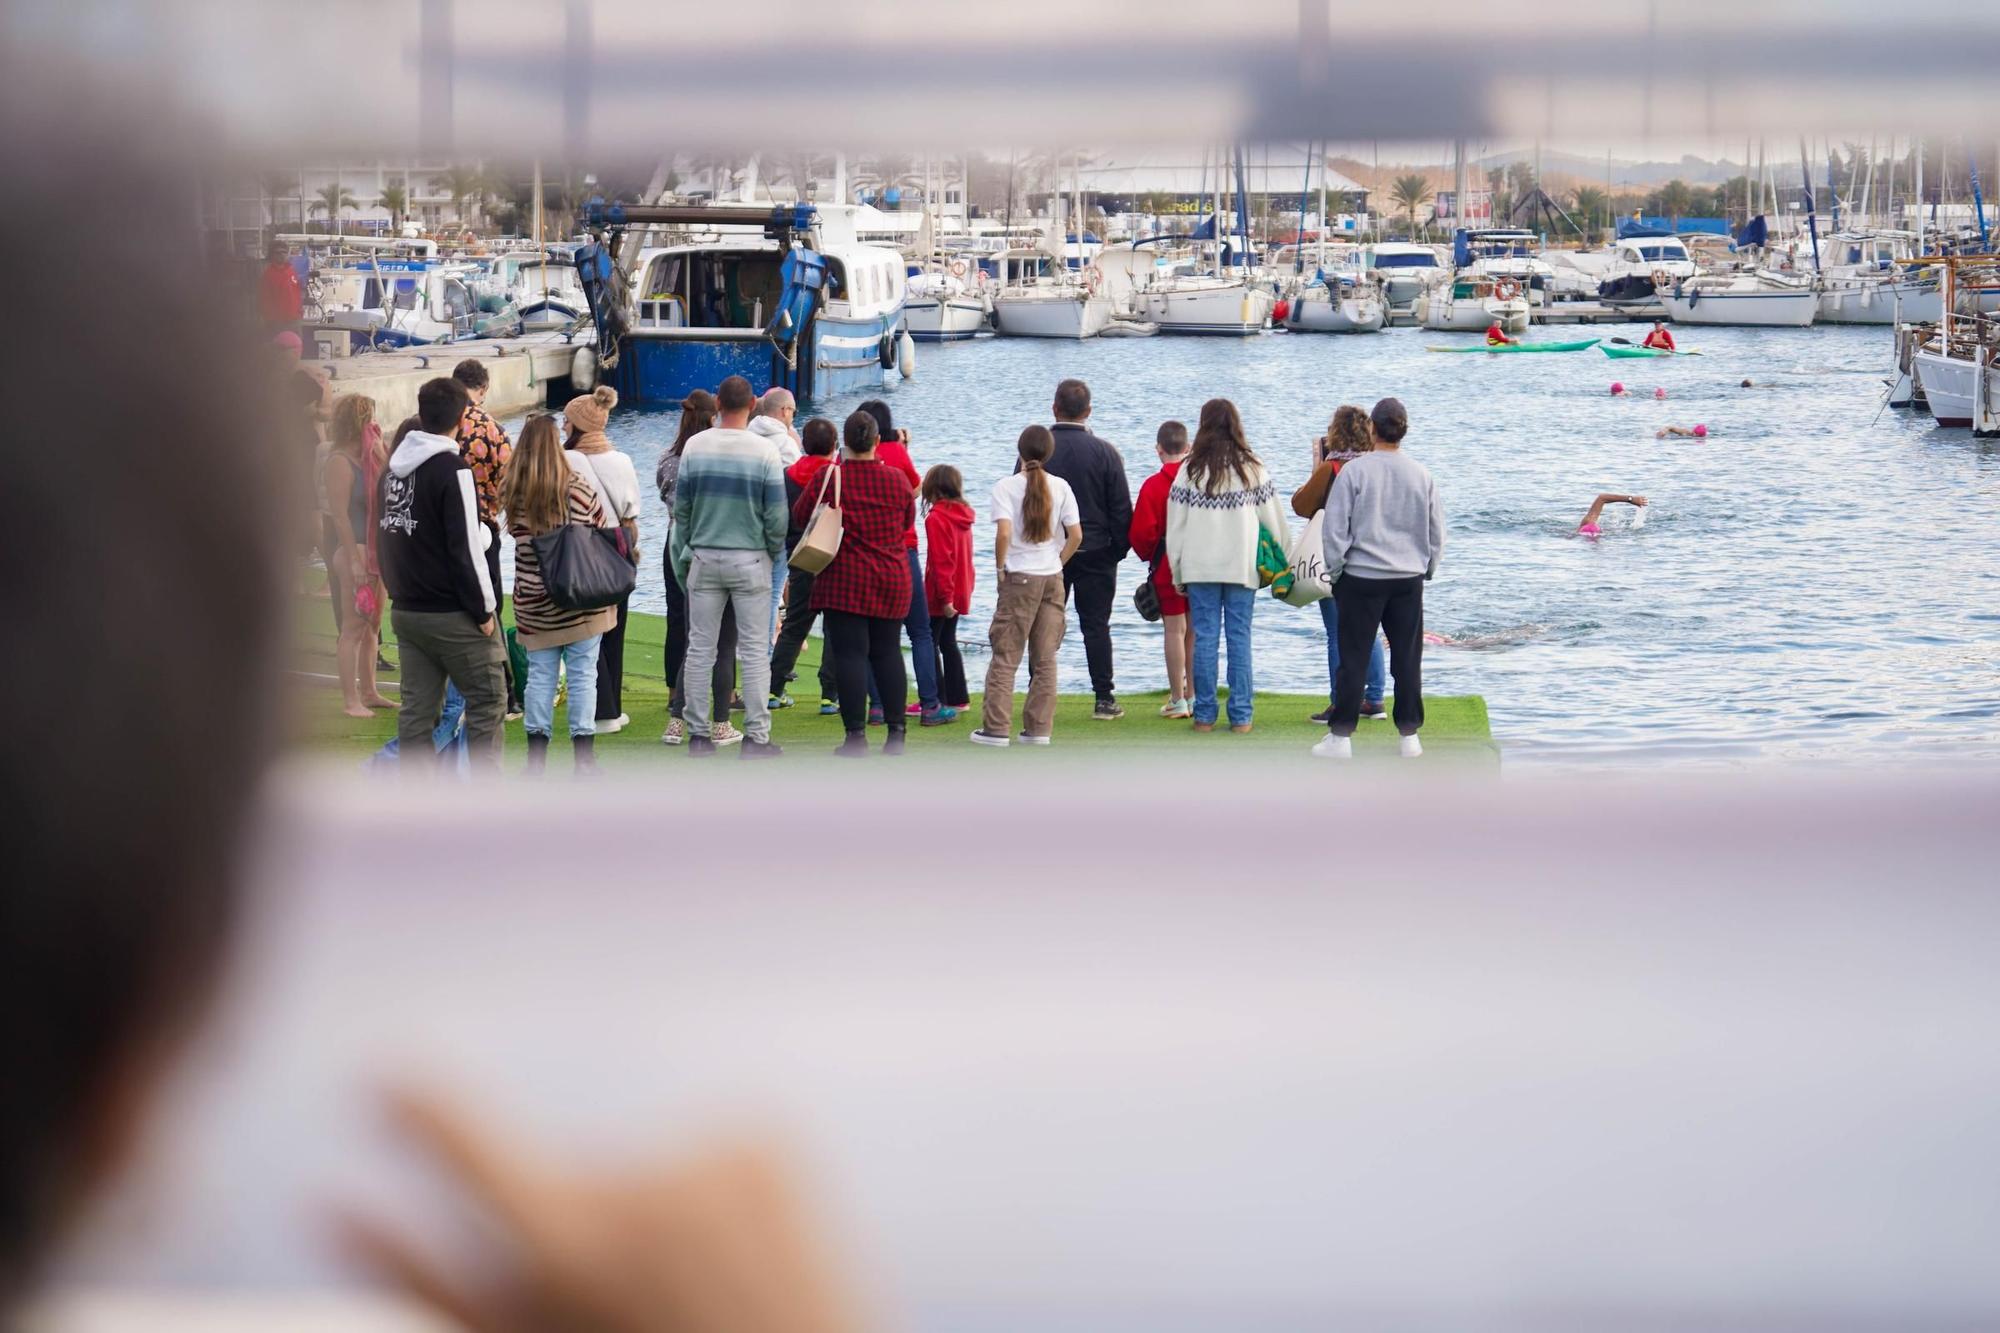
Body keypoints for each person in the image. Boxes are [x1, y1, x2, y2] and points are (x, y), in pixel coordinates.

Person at [378, 376, 507, 773]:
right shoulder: (453, 469)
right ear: (463, 417)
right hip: (451, 612)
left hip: (407, 608)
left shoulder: (392, 471)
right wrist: (485, 610)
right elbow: (466, 546)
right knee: (489, 700)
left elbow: (384, 535)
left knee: (418, 711)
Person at [1313, 397, 1445, 761]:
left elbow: (1335, 529)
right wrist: (1428, 568)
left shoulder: (1355, 472)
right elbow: (1436, 531)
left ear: (1372, 428)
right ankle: (1409, 735)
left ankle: (1340, 737)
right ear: (1403, 431)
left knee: (1352, 659)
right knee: (1406, 658)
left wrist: (1335, 571)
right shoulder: (1422, 474)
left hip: (1360, 576)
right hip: (1407, 576)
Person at [671, 375, 787, 759]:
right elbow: (776, 516)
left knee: (700, 647)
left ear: (717, 402)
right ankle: (757, 737)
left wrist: (690, 545)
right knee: (753, 651)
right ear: (753, 403)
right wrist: (770, 551)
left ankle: (699, 734)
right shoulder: (765, 452)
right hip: (751, 556)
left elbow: (682, 509)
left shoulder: (694, 447)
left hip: (704, 554)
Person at [1164, 398, 1292, 735]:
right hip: (1242, 566)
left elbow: (1175, 526)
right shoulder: (1252, 467)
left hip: (1199, 566)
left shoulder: (1189, 470)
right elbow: (1275, 522)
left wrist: (1177, 568)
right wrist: (1284, 561)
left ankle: (1204, 715)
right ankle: (1242, 717)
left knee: (1204, 637)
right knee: (1240, 638)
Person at [793, 410, 915, 756]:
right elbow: (907, 521)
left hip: (843, 577)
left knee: (849, 656)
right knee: (888, 652)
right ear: (878, 442)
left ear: (843, 443)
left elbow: (801, 515)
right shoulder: (897, 480)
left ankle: (855, 737)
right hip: (891, 575)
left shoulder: (829, 477)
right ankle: (896, 734)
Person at [500, 414, 616, 775]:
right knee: (583, 673)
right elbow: (598, 526)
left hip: (533, 599)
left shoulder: (515, 492)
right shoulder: (577, 486)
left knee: (539, 675)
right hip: (578, 596)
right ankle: (583, 758)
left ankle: (537, 758)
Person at [973, 426, 1082, 747]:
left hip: (1019, 577)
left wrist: (998, 568)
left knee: (1006, 655)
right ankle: (1038, 730)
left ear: (1019, 452)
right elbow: (1076, 536)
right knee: (1045, 657)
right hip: (1052, 577)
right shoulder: (1061, 487)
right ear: (1049, 454)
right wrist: (1058, 562)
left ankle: (995, 729)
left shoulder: (1005, 487)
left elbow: (1004, 534)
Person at [1037, 378, 1133, 720]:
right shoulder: (1105, 452)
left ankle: (1039, 690)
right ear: (1088, 412)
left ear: (1054, 408)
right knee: (1096, 625)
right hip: (1097, 549)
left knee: (1045, 623)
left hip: (1047, 551)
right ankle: (1104, 697)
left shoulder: (1039, 451)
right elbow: (1121, 507)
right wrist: (1117, 550)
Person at [858, 399, 954, 725]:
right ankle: (929, 704)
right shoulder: (896, 453)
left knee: (873, 633)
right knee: (920, 632)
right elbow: (916, 488)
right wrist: (903, 448)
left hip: (864, 552)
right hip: (902, 549)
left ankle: (877, 705)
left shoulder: (855, 458)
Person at [1291, 406, 1388, 724]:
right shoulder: (1380, 466)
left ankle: (1340, 701)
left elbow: (1302, 506)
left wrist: (1315, 469)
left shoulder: (1332, 468)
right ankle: (1374, 699)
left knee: (1337, 633)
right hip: (1374, 558)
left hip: (1335, 559)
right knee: (1369, 631)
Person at [657, 391, 740, 747]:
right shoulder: (718, 462)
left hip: (682, 548)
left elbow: (669, 502)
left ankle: (678, 716)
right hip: (720, 551)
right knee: (722, 645)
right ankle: (720, 721)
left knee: (690, 637)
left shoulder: (669, 459)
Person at [564, 386, 641, 736]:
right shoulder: (622, 460)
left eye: (567, 422)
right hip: (618, 548)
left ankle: (600, 707)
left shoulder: (566, 461)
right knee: (615, 627)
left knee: (586, 629)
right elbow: (631, 509)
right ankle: (611, 708)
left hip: (578, 550)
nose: (563, 427)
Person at [324, 393, 392, 718]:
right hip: (355, 549)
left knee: (373, 623)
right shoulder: (339, 461)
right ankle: (351, 700)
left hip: (376, 548)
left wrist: (381, 451)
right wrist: (353, 557)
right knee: (353, 627)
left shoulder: (371, 456)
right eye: (370, 418)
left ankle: (370, 691)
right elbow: (339, 515)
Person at [768, 417, 843, 714]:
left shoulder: (788, 475)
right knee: (835, 627)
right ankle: (829, 695)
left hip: (800, 557)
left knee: (795, 624)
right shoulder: (837, 475)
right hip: (834, 557)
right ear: (834, 445)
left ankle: (774, 689)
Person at [1128, 420, 1196, 719]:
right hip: (1200, 562)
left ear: (1159, 450)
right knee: (1194, 631)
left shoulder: (1154, 486)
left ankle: (1177, 698)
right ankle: (1194, 696)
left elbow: (1141, 534)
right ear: (1188, 448)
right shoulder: (1199, 481)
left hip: (1167, 564)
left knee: (1174, 630)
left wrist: (1150, 556)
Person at [922, 464, 976, 713]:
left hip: (941, 592)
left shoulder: (937, 518)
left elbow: (942, 560)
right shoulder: (963, 514)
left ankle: (935, 696)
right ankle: (957, 696)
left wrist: (944, 598)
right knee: (947, 641)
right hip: (961, 587)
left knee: (929, 641)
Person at [750, 388, 803, 635]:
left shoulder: (748, 434)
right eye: (793, 411)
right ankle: (766, 652)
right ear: (784, 411)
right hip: (776, 528)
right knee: (772, 594)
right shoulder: (785, 444)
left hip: (747, 526)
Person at [259, 239, 303, 331]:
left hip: (295, 320)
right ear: (272, 255)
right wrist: (270, 321)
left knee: (296, 344)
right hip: (278, 323)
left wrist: (299, 311)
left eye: (284, 252)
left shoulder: (292, 271)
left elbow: (297, 292)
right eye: (278, 253)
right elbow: (265, 300)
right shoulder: (268, 275)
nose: (282, 255)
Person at [1577, 492, 1648, 538]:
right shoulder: (1588, 521)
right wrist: (1630, 499)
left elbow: (1602, 498)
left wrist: (1631, 499)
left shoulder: (1588, 522)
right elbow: (1602, 498)